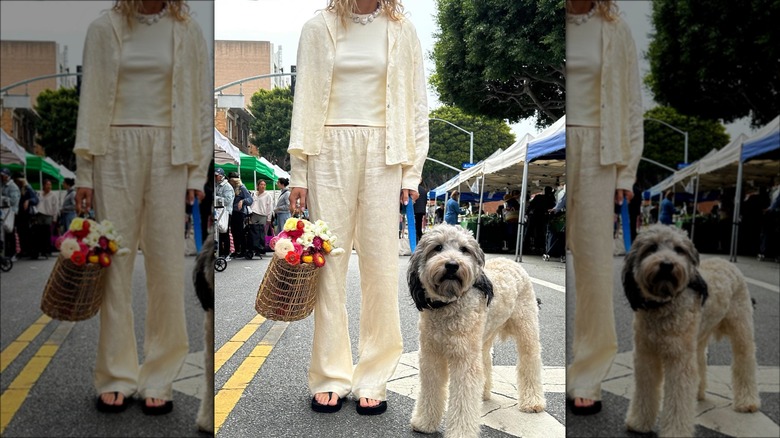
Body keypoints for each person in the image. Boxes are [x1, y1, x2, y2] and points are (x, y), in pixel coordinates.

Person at [286, 0, 428, 415]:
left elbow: (417, 104)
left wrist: (411, 172)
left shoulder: (403, 29)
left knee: (381, 267)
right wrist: (298, 172)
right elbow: (305, 98)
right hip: (327, 149)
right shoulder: (319, 27)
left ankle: (374, 376)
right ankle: (330, 374)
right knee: (329, 264)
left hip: (386, 152)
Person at [73, 0, 211, 415]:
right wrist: (83, 172)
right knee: (114, 263)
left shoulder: (188, 30)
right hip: (111, 149)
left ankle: (159, 375)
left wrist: (195, 172)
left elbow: (201, 106)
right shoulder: (105, 28)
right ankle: (116, 374)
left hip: (170, 152)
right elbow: (91, 97)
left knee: (166, 266)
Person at [565, 0, 644, 415]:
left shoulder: (615, 27)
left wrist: (626, 172)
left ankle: (587, 375)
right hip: (561, 143)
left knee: (594, 269)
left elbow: (631, 103)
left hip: (599, 150)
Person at [13, 173, 38, 259]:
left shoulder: (27, 188)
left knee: (27, 233)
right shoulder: (17, 188)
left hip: (26, 215)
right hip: (19, 214)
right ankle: (23, 250)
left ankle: (29, 251)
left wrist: (28, 200)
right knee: (20, 233)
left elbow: (35, 200)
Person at [228, 172, 252, 259]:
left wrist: (242, 201)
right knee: (234, 232)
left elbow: (250, 200)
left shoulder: (242, 188)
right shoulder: (232, 187)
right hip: (233, 212)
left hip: (240, 212)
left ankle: (242, 250)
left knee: (240, 232)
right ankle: (237, 249)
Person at [35, 178, 60, 258]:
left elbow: (55, 207)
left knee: (47, 233)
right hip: (39, 215)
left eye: (50, 185)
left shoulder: (53, 195)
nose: (49, 186)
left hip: (48, 215)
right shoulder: (39, 194)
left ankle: (47, 251)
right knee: (39, 233)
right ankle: (40, 250)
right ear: (43, 185)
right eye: (47, 185)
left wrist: (54, 218)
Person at [249, 180, 274, 256]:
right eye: (261, 184)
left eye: (264, 185)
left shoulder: (267, 195)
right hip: (254, 214)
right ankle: (254, 248)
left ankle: (261, 249)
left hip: (263, 215)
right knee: (253, 232)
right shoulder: (254, 194)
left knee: (261, 233)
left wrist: (269, 218)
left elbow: (270, 207)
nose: (263, 186)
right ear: (258, 186)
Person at [214, 167, 234, 258]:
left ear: (221, 176)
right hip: (218, 211)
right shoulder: (216, 185)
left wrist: (217, 198)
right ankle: (220, 252)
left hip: (225, 212)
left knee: (224, 232)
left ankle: (226, 253)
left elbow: (228, 200)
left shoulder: (227, 186)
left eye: (216, 176)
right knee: (217, 232)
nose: (215, 177)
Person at [1, 168, 21, 259]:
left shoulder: (13, 187)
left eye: (3, 175)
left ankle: (12, 253)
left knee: (10, 232)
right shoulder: (2, 185)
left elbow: (14, 201)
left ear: (8, 176)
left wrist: (3, 198)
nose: (2, 176)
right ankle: (6, 252)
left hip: (11, 213)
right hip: (4, 212)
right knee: (5, 233)